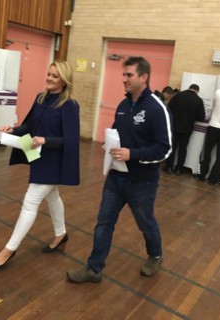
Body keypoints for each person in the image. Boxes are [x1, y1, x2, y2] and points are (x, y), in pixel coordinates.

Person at [66, 56, 172, 283]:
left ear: (143, 77)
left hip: (142, 182)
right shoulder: (123, 105)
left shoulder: (156, 108)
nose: (123, 79)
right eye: (123, 74)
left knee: (146, 222)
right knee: (104, 223)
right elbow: (118, 133)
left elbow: (164, 149)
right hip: (116, 178)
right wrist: (110, 144)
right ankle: (94, 268)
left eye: (129, 75)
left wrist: (132, 154)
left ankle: (155, 255)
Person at [0, 60, 80, 269]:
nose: (49, 78)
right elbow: (30, 125)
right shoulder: (41, 98)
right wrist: (13, 130)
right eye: (49, 74)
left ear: (64, 80)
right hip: (37, 156)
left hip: (54, 161)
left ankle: (9, 249)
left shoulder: (69, 105)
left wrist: (46, 140)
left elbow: (71, 140)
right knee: (52, 196)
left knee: (30, 202)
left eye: (55, 76)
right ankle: (61, 234)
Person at [164, 84, 205, 176]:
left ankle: (169, 167)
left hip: (174, 127)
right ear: (197, 91)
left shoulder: (178, 95)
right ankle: (179, 169)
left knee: (172, 148)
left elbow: (168, 108)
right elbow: (201, 117)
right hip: (187, 129)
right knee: (183, 149)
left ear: (189, 88)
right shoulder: (198, 100)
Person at [198, 79, 220, 185]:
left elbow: (215, 106)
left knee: (206, 151)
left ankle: (202, 175)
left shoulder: (218, 92)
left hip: (213, 126)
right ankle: (213, 179)